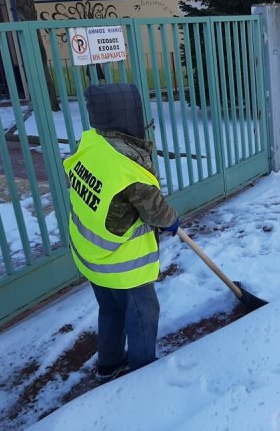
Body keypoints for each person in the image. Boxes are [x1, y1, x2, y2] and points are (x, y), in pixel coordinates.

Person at [63, 83, 179, 381]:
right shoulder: (128, 166)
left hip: (88, 253)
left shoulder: (90, 144)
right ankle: (141, 376)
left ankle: (109, 364)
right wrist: (171, 222)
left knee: (111, 309)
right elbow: (156, 211)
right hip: (121, 263)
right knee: (144, 314)